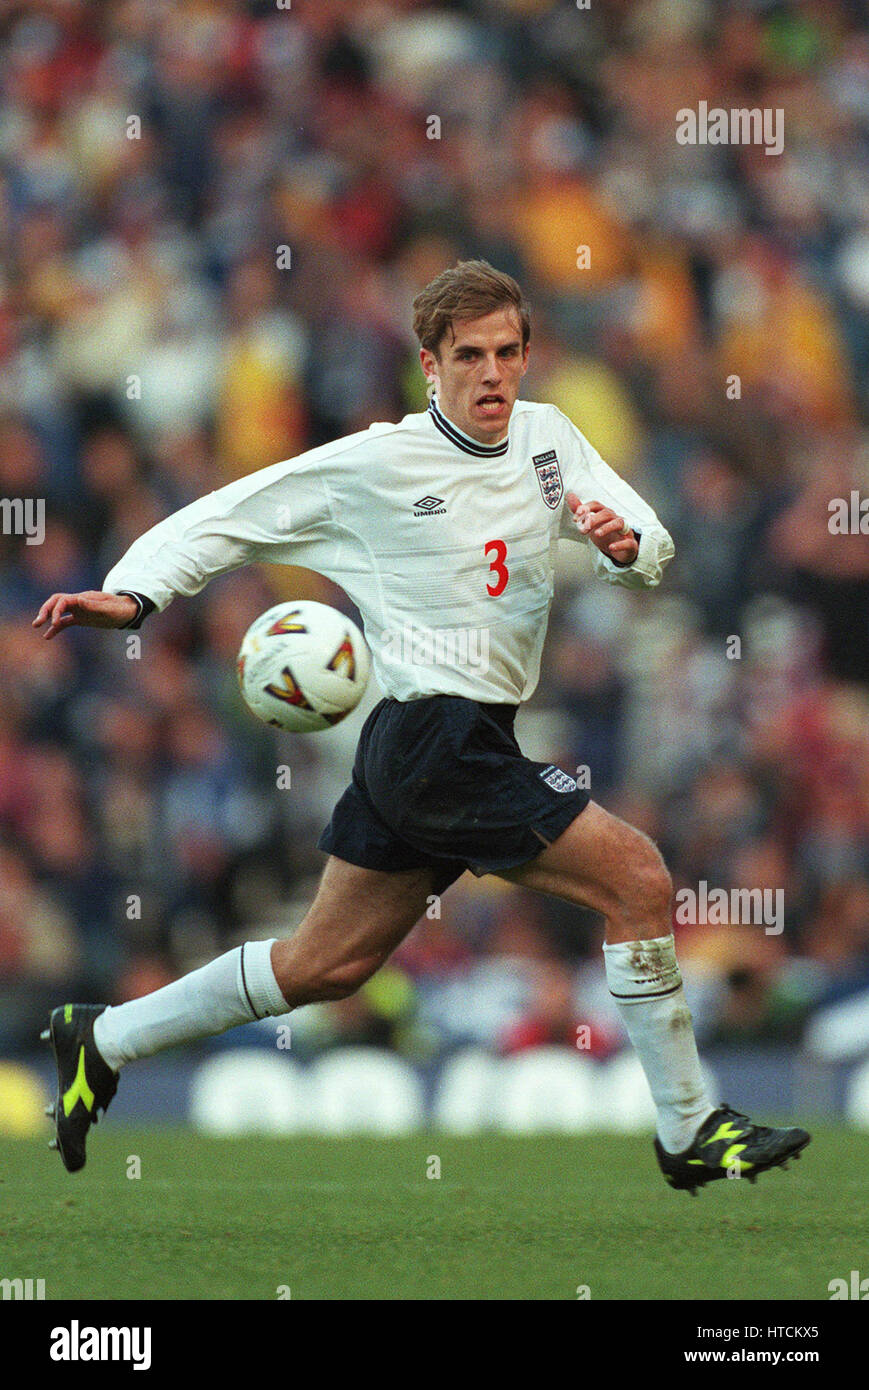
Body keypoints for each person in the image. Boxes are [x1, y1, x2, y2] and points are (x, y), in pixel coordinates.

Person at [34, 260, 809, 1190]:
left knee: (325, 965)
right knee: (638, 878)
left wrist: (626, 548)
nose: (492, 374)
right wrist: (133, 594)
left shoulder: (548, 439)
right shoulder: (376, 464)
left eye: (508, 353)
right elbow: (230, 515)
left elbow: (648, 537)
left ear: (527, 355)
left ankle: (104, 1038)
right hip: (430, 740)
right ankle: (690, 1130)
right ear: (429, 364)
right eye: (469, 356)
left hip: (455, 741)